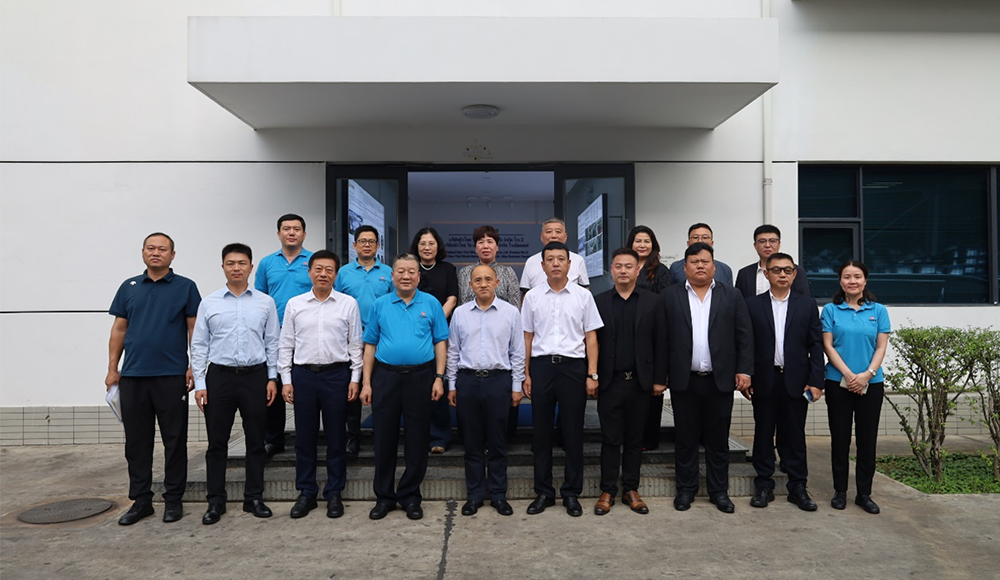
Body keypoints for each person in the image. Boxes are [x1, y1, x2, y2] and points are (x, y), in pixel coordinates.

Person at [106, 233, 201, 525]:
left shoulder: (186, 287)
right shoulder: (129, 287)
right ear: (143, 252)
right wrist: (113, 368)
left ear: (173, 255)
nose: (156, 253)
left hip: (172, 376)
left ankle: (173, 500)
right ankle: (141, 501)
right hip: (133, 376)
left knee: (175, 441)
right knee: (136, 443)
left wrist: (194, 366)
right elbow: (119, 329)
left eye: (162, 249)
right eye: (151, 248)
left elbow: (194, 329)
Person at [191, 243, 280, 525]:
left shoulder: (265, 302)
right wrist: (200, 383)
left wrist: (272, 378)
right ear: (223, 267)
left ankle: (253, 498)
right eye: (231, 263)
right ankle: (215, 501)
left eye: (242, 263)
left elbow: (273, 342)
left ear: (251, 267)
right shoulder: (209, 302)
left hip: (256, 377)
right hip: (220, 378)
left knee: (256, 441)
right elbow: (199, 345)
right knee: (217, 443)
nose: (236, 268)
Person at [662, 242, 752, 513]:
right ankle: (685, 490)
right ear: (685, 267)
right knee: (685, 439)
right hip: (684, 380)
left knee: (718, 440)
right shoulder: (670, 296)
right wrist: (660, 374)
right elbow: (661, 338)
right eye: (694, 262)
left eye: (705, 261)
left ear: (714, 266)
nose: (700, 266)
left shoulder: (732, 295)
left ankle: (719, 492)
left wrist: (744, 370)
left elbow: (744, 336)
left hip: (720, 380)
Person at [361, 254, 449, 521]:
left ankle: (410, 496)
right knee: (383, 439)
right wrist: (367, 382)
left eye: (411, 271)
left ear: (419, 277)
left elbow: (440, 342)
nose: (406, 276)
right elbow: (370, 345)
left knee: (417, 440)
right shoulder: (380, 305)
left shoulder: (431, 303)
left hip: (421, 377)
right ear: (392, 276)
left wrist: (439, 377)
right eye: (401, 271)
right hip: (386, 377)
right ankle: (384, 498)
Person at [278, 250, 363, 519]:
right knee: (305, 437)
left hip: (337, 375)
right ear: (309, 272)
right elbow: (286, 344)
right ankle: (306, 492)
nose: (323, 274)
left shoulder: (348, 304)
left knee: (337, 437)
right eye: (318, 269)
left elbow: (355, 344)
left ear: (336, 274)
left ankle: (334, 492)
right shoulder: (295, 304)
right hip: (303, 376)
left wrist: (355, 378)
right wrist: (286, 380)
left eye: (329, 270)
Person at [521, 242, 603, 517]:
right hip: (542, 367)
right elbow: (527, 337)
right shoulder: (532, 297)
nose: (555, 263)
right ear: (542, 265)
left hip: (573, 368)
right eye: (550, 259)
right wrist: (526, 373)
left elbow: (591, 337)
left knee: (573, 432)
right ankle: (543, 492)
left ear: (570, 264)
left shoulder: (583, 296)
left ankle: (571, 493)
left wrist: (592, 374)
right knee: (541, 433)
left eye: (560, 259)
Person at [745, 252, 824, 511]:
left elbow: (815, 344)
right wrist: (747, 375)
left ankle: (798, 486)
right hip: (764, 379)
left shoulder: (807, 305)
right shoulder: (752, 305)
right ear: (767, 274)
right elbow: (746, 344)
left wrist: (816, 381)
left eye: (787, 270)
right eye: (776, 270)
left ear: (794, 274)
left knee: (794, 435)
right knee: (763, 433)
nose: (782, 274)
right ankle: (764, 484)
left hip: (796, 381)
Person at [446, 264, 525, 517]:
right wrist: (451, 385)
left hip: (498, 381)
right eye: (478, 280)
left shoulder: (511, 313)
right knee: (472, 442)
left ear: (497, 283)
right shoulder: (460, 313)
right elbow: (453, 351)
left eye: (488, 279)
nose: (483, 284)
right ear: (470, 286)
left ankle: (499, 495)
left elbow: (517, 352)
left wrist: (516, 386)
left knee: (498, 442)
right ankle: (475, 495)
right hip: (467, 381)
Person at [592, 248, 667, 516]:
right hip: (610, 382)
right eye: (618, 266)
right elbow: (591, 341)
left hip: (640, 382)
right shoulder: (599, 301)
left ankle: (631, 489)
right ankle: (608, 490)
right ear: (611, 270)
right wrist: (592, 376)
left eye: (628, 266)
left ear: (638, 270)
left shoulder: (654, 301)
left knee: (635, 439)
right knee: (610, 438)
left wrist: (659, 379)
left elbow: (661, 341)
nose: (623, 271)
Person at [821, 260, 890, 515]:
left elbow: (881, 346)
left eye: (857, 276)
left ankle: (864, 494)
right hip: (838, 382)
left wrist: (867, 375)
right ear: (840, 281)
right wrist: (850, 375)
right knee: (840, 439)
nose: (852, 281)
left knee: (867, 440)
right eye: (847, 276)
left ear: (865, 280)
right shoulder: (830, 310)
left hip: (871, 383)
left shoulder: (878, 311)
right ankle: (840, 491)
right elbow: (827, 345)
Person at [253, 214, 313, 459]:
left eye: (296, 229)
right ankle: (274, 439)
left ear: (304, 234)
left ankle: (307, 437)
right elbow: (259, 298)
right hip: (275, 334)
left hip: (308, 334)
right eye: (286, 229)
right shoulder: (267, 263)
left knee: (306, 385)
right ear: (278, 234)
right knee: (275, 385)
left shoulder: (313, 261)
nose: (291, 233)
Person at [335, 225, 394, 455]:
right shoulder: (343, 273)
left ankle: (382, 436)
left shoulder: (388, 272)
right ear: (355, 245)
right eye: (362, 241)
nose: (367, 245)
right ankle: (352, 437)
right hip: (350, 338)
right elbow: (336, 302)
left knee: (380, 388)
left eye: (371, 241)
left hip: (380, 338)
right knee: (352, 388)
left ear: (378, 246)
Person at [410, 227, 460, 454]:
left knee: (438, 383)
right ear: (416, 246)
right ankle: (418, 436)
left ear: (438, 246)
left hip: (438, 333)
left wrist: (434, 321)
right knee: (416, 388)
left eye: (431, 243)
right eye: (422, 243)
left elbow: (452, 298)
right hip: (413, 333)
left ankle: (439, 437)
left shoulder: (448, 269)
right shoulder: (410, 268)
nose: (427, 247)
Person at [626, 225, 673, 451]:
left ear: (653, 244)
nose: (642, 245)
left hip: (652, 335)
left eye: (646, 241)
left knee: (652, 391)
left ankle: (649, 439)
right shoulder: (627, 266)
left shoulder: (661, 271)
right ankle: (631, 436)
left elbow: (666, 304)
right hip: (628, 335)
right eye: (638, 241)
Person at [735, 225, 810, 299]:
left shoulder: (794, 270)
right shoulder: (744, 273)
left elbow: (804, 301)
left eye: (772, 241)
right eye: (762, 241)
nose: (767, 245)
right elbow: (739, 302)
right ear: (755, 245)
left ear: (779, 244)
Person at [457, 225, 521, 309]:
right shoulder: (465, 273)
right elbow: (460, 304)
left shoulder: (507, 272)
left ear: (497, 247)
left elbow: (515, 307)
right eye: (481, 242)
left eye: (490, 242)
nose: (485, 246)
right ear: (475, 248)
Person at [519, 218, 590, 293]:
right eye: (549, 232)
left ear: (565, 237)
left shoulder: (578, 260)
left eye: (558, 232)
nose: (553, 236)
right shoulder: (531, 261)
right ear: (541, 237)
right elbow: (525, 293)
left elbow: (585, 290)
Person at [668, 223, 734, 286]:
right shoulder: (676, 268)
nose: (700, 241)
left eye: (705, 237)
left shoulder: (724, 269)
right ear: (688, 243)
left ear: (712, 243)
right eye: (695, 237)